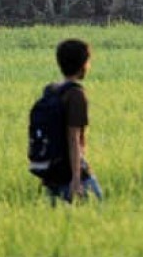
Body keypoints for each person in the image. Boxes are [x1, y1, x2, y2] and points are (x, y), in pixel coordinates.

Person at [39, 39, 102, 204]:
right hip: (71, 173)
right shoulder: (76, 95)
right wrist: (76, 178)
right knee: (97, 207)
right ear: (83, 65)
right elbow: (73, 138)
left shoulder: (51, 91)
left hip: (52, 173)